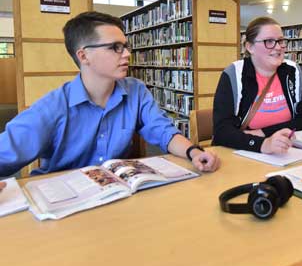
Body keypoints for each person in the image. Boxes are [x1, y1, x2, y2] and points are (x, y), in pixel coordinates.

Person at [0, 11, 220, 177]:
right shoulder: (54, 106)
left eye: (125, 46)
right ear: (84, 56)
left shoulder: (136, 91)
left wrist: (193, 152)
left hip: (117, 194)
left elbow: (162, 131)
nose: (127, 54)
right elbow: (7, 150)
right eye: (115, 47)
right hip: (64, 204)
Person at [212, 16, 302, 154]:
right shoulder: (234, 74)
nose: (278, 47)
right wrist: (263, 144)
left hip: (286, 152)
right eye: (269, 41)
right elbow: (222, 132)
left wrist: (262, 133)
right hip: (245, 152)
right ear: (250, 47)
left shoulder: (293, 71)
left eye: (280, 41)